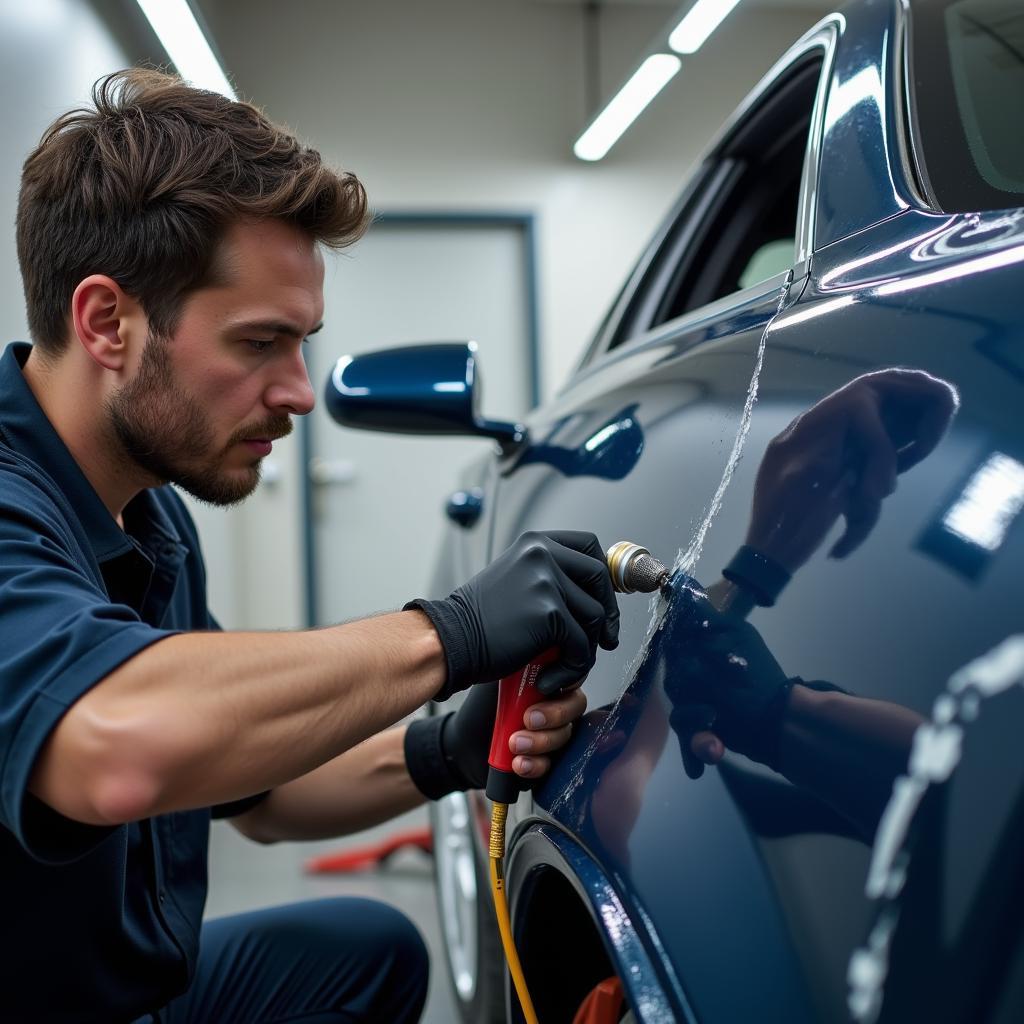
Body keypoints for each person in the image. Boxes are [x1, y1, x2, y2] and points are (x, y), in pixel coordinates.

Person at [0, 69, 622, 1023]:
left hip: (111, 993)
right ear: (106, 322)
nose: (299, 391)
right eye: (259, 343)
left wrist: (441, 748)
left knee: (365, 956)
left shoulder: (147, 515)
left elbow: (252, 789)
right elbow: (113, 746)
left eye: (304, 343)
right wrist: (449, 634)